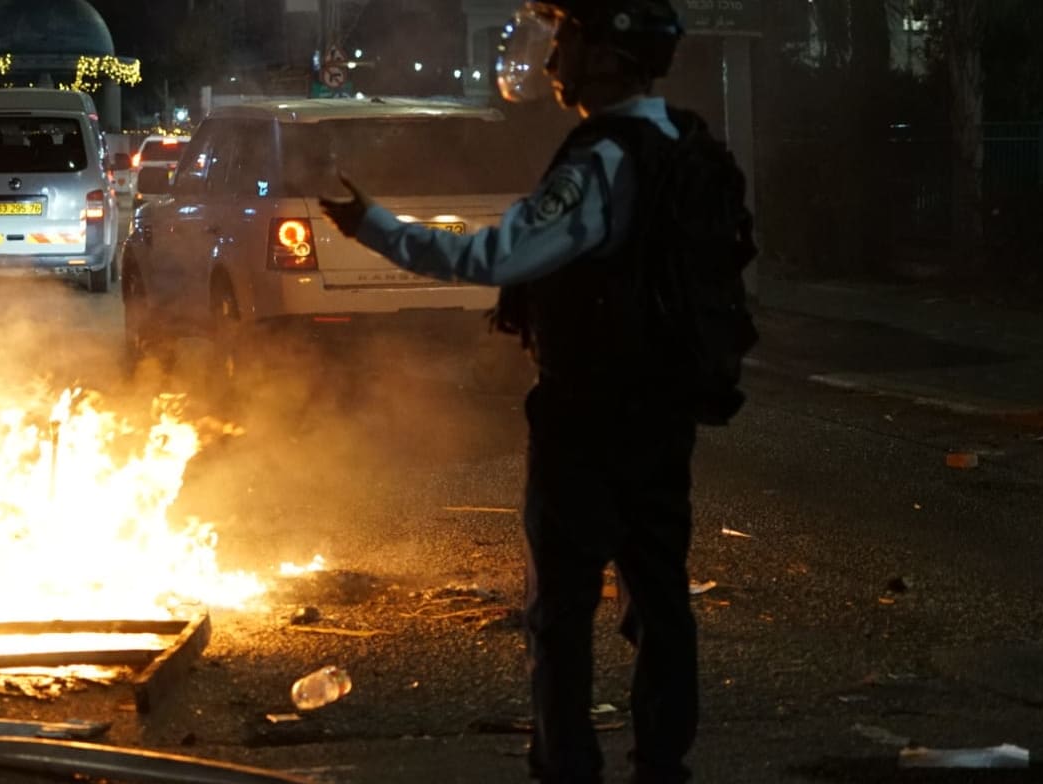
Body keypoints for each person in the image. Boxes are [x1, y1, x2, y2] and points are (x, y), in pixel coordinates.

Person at [319, 1, 754, 782]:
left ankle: (567, 768)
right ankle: (663, 764)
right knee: (660, 601)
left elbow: (493, 258)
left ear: (608, 56)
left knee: (560, 615)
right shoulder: (680, 143)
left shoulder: (600, 160)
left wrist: (372, 225)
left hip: (588, 418)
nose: (553, 62)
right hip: (661, 411)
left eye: (567, 42)